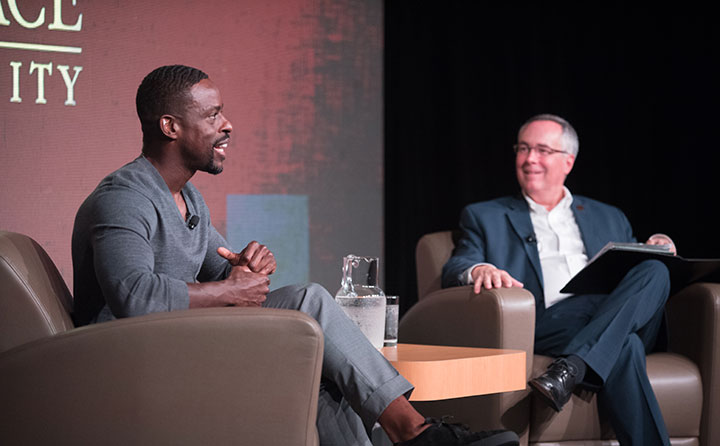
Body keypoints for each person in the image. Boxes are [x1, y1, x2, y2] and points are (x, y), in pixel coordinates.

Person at [71, 65, 519, 446]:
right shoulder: (124, 198)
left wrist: (242, 269)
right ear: (170, 127)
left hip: (179, 341)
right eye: (212, 115)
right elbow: (133, 296)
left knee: (318, 357)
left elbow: (218, 273)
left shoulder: (188, 198)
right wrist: (230, 288)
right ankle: (415, 432)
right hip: (126, 357)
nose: (227, 124)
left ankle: (413, 432)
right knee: (308, 302)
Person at [442, 114, 674, 446]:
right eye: (523, 149)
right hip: (548, 321)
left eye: (541, 150)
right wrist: (478, 269)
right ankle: (577, 366)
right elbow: (458, 263)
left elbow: (634, 275)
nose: (529, 159)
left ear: (568, 161)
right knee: (625, 343)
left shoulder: (608, 215)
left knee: (655, 270)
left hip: (611, 315)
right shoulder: (485, 215)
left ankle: (572, 367)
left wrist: (658, 247)